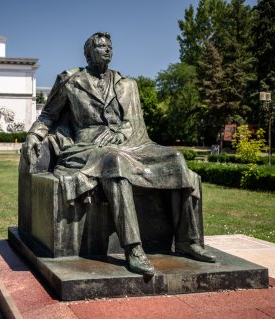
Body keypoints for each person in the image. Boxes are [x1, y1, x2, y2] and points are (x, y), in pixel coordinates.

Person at [22, 32, 216, 275]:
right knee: (114, 161)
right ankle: (134, 248)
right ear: (88, 52)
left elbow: (131, 124)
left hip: (128, 143)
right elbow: (48, 115)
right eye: (101, 46)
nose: (107, 50)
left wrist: (122, 133)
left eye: (109, 46)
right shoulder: (70, 81)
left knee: (176, 159)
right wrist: (34, 135)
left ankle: (189, 241)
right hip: (85, 147)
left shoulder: (126, 84)